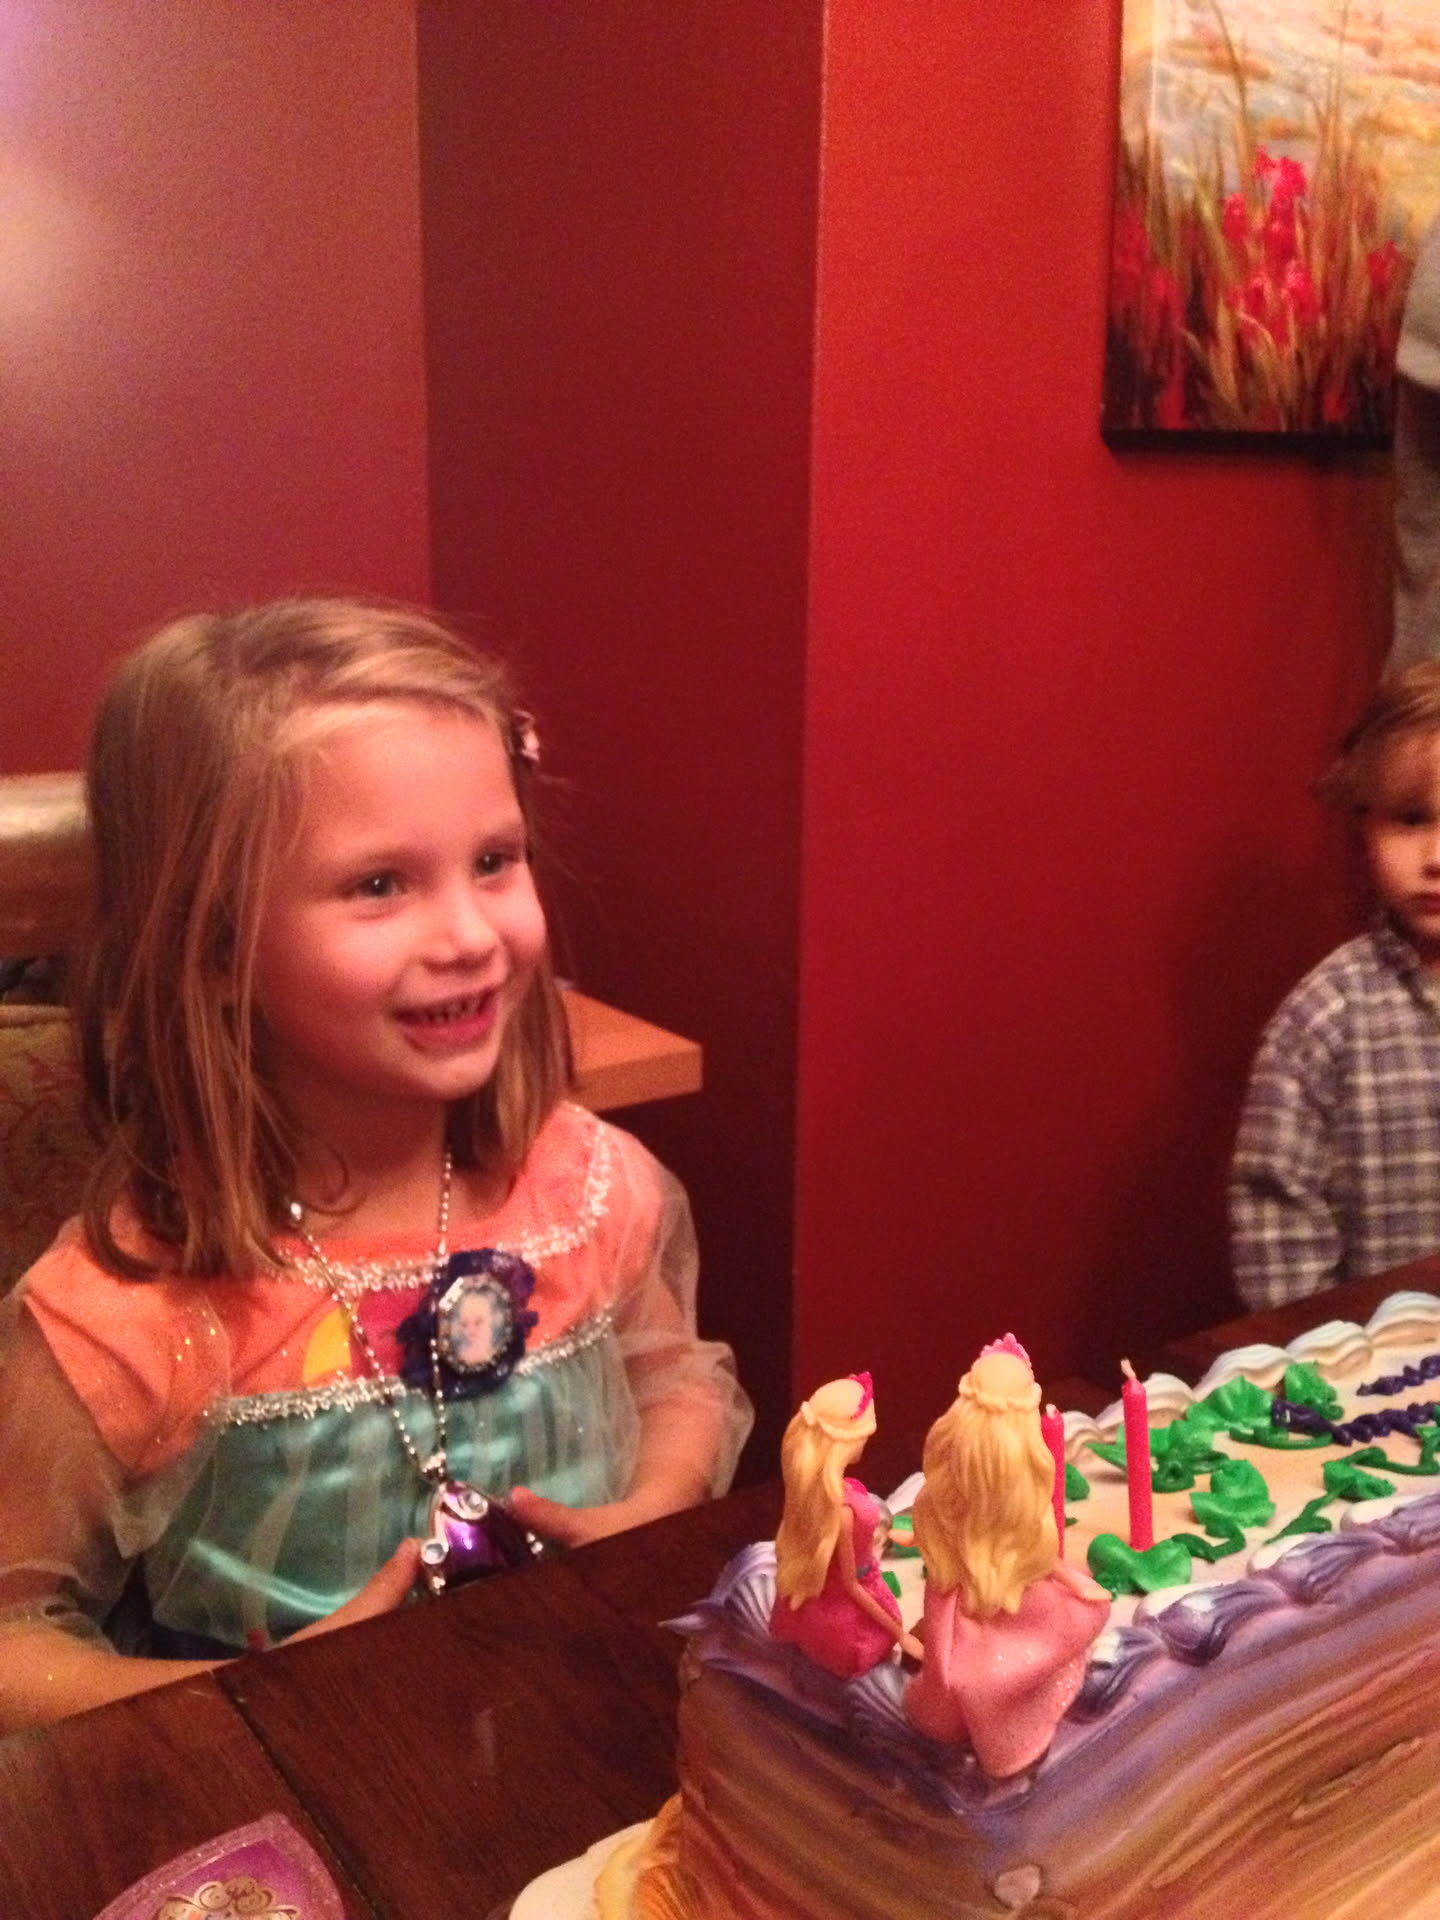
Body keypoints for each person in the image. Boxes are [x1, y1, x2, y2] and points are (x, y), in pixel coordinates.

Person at [0, 597, 751, 1730]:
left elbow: (676, 1380)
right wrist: (263, 1699)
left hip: (587, 1731)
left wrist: (653, 1505)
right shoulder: (128, 1314)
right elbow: (15, 1642)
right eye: (380, 885)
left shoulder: (587, 1188)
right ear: (214, 944)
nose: (471, 935)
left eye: (493, 861)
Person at [1230, 663, 1440, 1310]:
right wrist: (1319, 1349)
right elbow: (1278, 1224)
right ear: (1364, 823)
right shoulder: (1324, 1018)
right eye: (1411, 819)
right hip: (1374, 1359)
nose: (1436, 857)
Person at [902, 1337, 1109, 1778]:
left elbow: (1042, 1559)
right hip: (1008, 1603)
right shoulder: (1003, 1494)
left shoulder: (963, 1493)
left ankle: (974, 1720)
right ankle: (999, 1732)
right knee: (986, 1671)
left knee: (961, 1671)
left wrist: (1074, 1582)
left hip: (977, 1604)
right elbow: (1042, 1558)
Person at [769, 1372, 922, 1678]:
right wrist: (899, 1633)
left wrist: (905, 1537)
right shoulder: (842, 1511)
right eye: (864, 1437)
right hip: (849, 1603)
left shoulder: (820, 1497)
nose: (865, 1444)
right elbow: (852, 1584)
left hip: (827, 1593)